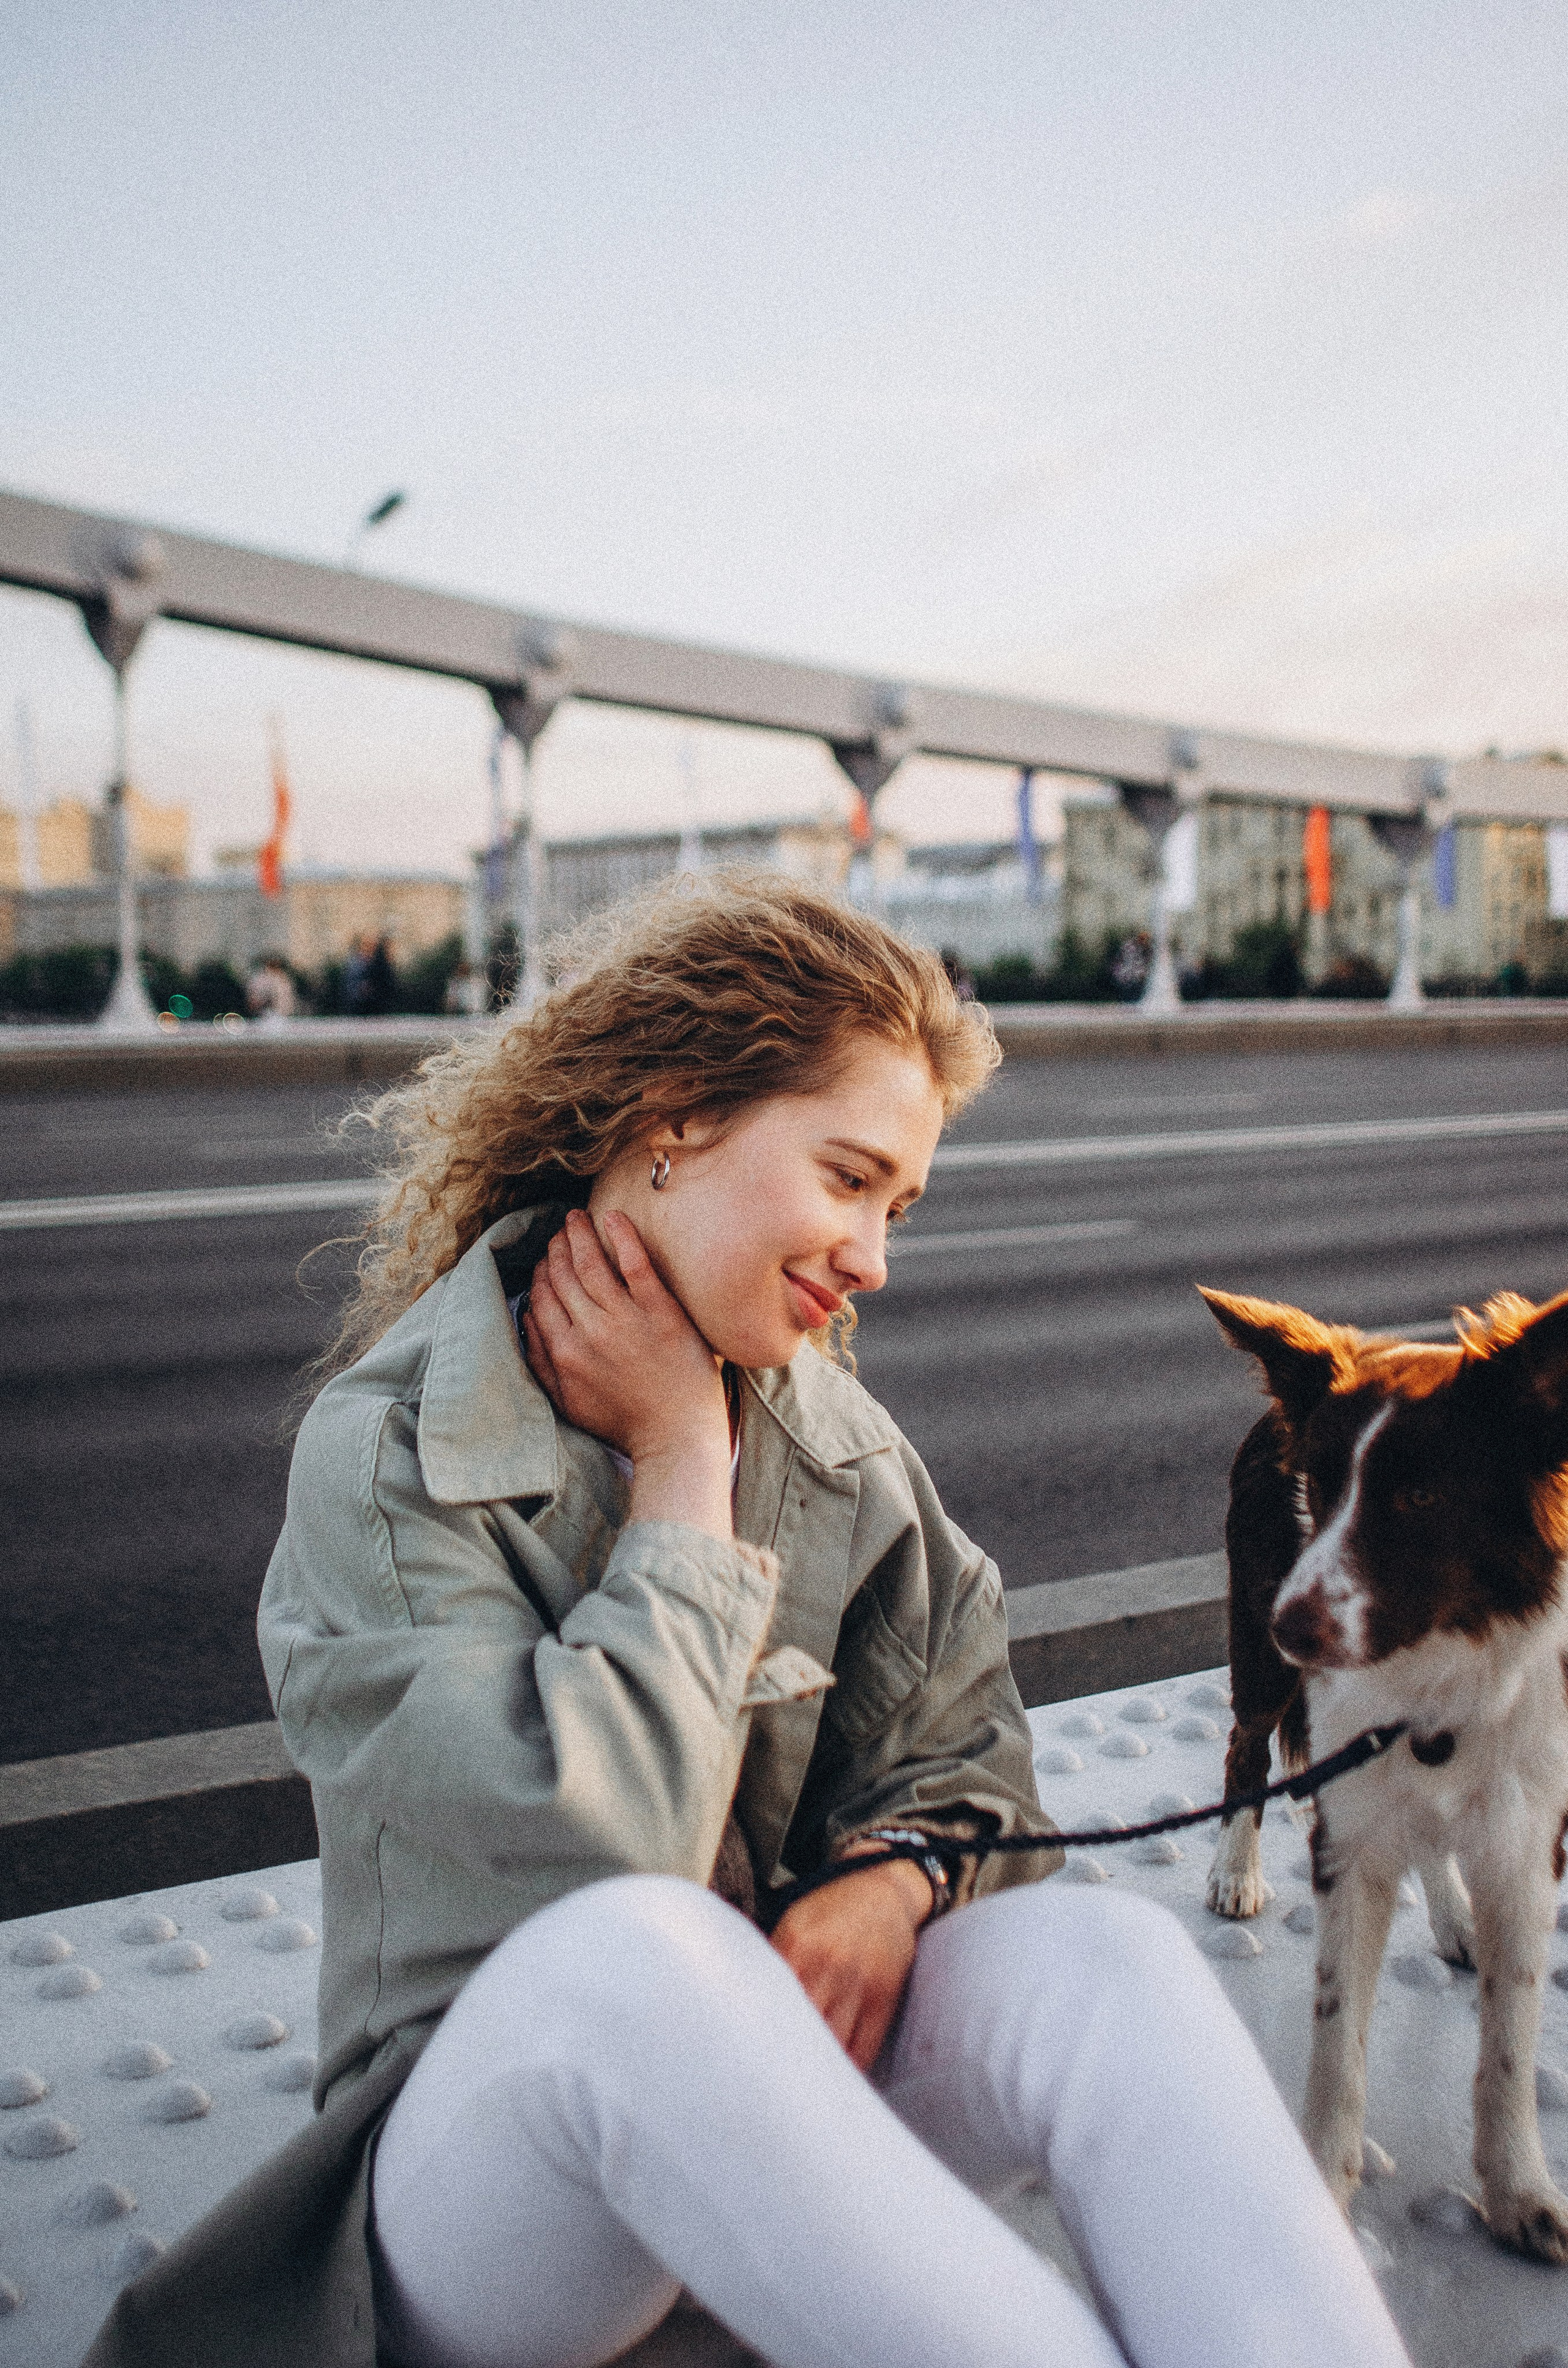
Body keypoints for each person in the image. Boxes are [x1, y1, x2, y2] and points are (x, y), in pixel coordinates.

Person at [86, 877, 1411, 2368]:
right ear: (674, 1117)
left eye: (895, 1206)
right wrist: (678, 1467)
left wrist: (900, 1881)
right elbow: (610, 1847)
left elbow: (971, 1761)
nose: (875, 1258)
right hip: (497, 2194)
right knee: (644, 1955)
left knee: (1111, 1964)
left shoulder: (835, 1437)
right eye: (847, 1180)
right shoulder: (391, 1453)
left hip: (772, 2110)